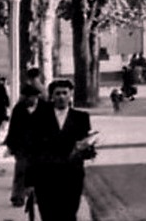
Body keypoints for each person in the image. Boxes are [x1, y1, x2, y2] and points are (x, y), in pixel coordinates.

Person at [26, 79, 97, 221]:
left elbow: (87, 149)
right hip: (45, 177)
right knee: (48, 215)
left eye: (65, 93)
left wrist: (87, 148)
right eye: (57, 93)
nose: (61, 97)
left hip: (71, 176)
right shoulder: (38, 118)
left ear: (71, 94)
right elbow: (31, 151)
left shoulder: (81, 118)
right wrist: (29, 182)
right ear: (51, 96)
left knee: (69, 215)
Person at [4, 83, 43, 209]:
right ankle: (17, 197)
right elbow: (13, 128)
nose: (30, 100)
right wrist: (10, 145)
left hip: (39, 146)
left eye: (33, 97)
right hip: (22, 146)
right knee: (20, 171)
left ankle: (38, 195)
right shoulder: (19, 109)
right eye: (27, 97)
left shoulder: (44, 108)